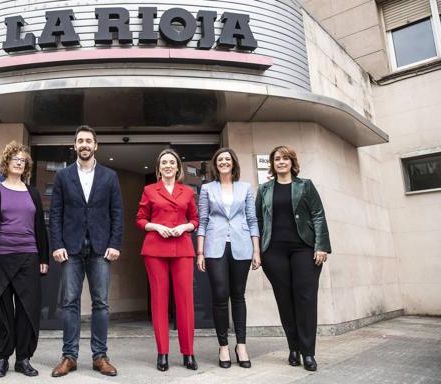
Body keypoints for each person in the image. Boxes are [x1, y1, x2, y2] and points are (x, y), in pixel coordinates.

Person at [49, 125, 123, 377]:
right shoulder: (62, 176)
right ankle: (69, 356)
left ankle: (100, 356)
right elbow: (55, 214)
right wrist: (57, 244)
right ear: (75, 145)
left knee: (101, 303)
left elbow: (117, 213)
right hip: (70, 249)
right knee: (70, 302)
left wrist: (115, 243)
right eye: (80, 141)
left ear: (96, 145)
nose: (84, 145)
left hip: (101, 249)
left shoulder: (109, 176)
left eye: (88, 141)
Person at [255, 145, 331, 372]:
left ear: (292, 162)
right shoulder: (265, 189)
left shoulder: (305, 185)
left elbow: (318, 215)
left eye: (285, 158)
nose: (281, 162)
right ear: (272, 163)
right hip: (274, 252)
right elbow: (258, 221)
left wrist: (321, 246)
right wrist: (258, 251)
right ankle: (293, 348)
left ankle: (308, 352)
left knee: (306, 300)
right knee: (285, 301)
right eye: (277, 159)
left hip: (304, 250)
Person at [0, 141, 49, 378]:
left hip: (29, 257)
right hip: (0, 260)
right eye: (15, 159)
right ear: (6, 163)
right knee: (3, 311)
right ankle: (3, 358)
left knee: (28, 311)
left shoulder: (34, 193)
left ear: (26, 166)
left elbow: (40, 227)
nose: (19, 162)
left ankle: (23, 359)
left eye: (23, 160)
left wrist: (44, 257)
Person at [196, 148, 261, 369]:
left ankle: (241, 344)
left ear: (233, 163)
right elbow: (202, 221)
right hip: (215, 247)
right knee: (220, 295)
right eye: (220, 159)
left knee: (238, 295)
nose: (224, 162)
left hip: (242, 246)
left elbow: (252, 220)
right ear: (216, 164)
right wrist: (200, 252)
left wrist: (256, 250)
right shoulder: (206, 189)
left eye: (228, 159)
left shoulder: (245, 188)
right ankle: (223, 345)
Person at [136, 148, 199, 372]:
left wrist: (184, 226)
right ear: (159, 168)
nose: (168, 165)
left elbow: (195, 219)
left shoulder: (188, 191)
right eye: (164, 162)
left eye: (172, 162)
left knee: (185, 303)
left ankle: (188, 352)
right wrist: (156, 226)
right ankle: (162, 352)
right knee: (159, 302)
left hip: (182, 248)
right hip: (155, 249)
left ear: (178, 167)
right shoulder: (149, 190)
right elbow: (141, 219)